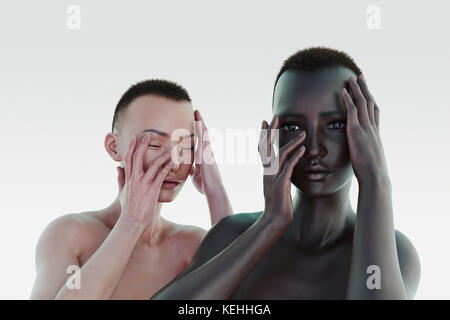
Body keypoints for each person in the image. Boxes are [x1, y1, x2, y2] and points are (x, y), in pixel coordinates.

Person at [151, 47, 421, 300]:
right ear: (271, 137)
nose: (314, 149)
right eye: (292, 127)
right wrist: (271, 223)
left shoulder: (396, 252)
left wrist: (376, 179)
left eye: (336, 124)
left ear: (367, 131)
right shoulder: (232, 234)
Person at [30, 79, 232, 299]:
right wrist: (131, 223)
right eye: (154, 144)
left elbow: (245, 297)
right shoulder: (70, 235)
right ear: (114, 147)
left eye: (187, 147)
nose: (175, 163)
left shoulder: (192, 246)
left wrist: (216, 192)